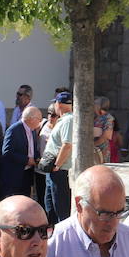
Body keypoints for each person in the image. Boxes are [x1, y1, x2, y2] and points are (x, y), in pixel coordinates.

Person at [43, 92, 75, 223]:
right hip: (54, 171)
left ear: (59, 104)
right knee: (51, 207)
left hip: (60, 171)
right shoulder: (64, 120)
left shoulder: (68, 120)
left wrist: (57, 165)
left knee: (60, 209)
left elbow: (67, 144)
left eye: (55, 103)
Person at [0, 104, 43, 200]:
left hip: (27, 173)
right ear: (32, 119)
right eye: (39, 119)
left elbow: (32, 148)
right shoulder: (14, 130)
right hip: (14, 175)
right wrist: (27, 160)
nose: (40, 123)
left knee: (25, 201)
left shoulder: (32, 130)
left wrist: (36, 158)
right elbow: (7, 152)